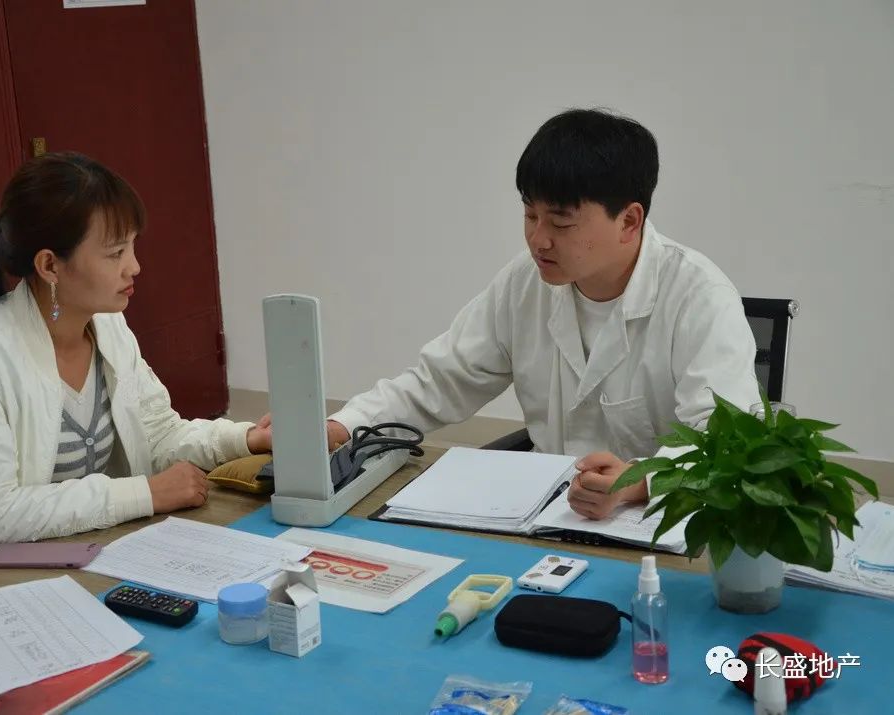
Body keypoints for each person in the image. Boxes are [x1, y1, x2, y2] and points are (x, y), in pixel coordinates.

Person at [324, 108, 759, 520]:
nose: (538, 239)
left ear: (629, 221)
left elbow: (728, 446)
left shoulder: (699, 297)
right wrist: (343, 427)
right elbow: (440, 380)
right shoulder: (524, 282)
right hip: (544, 517)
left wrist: (639, 481)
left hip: (660, 526)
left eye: (561, 223)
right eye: (530, 215)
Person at [0, 152, 271, 582]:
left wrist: (246, 438)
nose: (135, 266)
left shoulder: (108, 327)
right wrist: (145, 494)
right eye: (115, 253)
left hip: (81, 559)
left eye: (132, 246)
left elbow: (158, 437)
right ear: (50, 265)